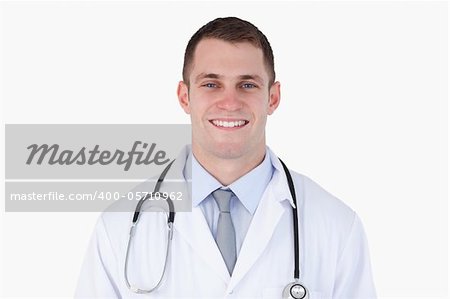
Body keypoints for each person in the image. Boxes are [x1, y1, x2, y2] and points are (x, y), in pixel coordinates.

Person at [75, 17, 376, 298]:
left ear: (272, 98)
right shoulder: (119, 225)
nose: (230, 103)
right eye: (211, 84)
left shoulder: (337, 226)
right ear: (184, 97)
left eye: (247, 85)